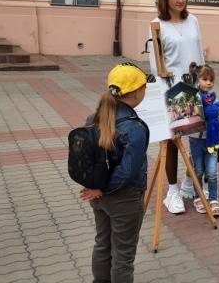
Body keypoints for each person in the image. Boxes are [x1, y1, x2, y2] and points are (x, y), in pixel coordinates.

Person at [79, 62, 150, 283]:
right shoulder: (135, 128)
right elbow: (128, 172)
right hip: (124, 198)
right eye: (144, 87)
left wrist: (97, 189)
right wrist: (102, 189)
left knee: (103, 243)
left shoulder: (94, 118)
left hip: (97, 195)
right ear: (136, 92)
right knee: (124, 255)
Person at [149, 0, 205, 214]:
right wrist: (167, 92)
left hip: (194, 88)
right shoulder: (156, 25)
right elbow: (156, 64)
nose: (180, 0)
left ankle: (188, 182)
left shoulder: (193, 20)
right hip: (170, 90)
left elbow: (200, 54)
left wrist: (204, 83)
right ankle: (171, 193)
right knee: (172, 142)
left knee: (200, 139)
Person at [188, 64, 219, 216]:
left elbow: (218, 113)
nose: (209, 82)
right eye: (205, 79)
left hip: (212, 141)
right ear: (197, 80)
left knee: (212, 172)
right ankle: (198, 196)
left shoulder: (213, 97)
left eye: (211, 80)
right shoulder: (193, 97)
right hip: (196, 141)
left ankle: (213, 199)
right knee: (198, 170)